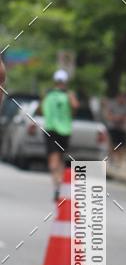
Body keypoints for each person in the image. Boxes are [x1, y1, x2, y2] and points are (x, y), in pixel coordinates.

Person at [41, 69, 79, 200]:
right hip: (65, 130)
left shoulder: (48, 95)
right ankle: (60, 182)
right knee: (61, 157)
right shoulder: (68, 95)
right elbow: (75, 106)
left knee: (53, 158)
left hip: (50, 129)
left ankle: (57, 183)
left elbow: (41, 110)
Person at [104, 91, 126, 164]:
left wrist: (123, 119)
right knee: (112, 144)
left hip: (123, 129)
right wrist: (115, 118)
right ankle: (111, 159)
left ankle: (119, 161)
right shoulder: (112, 104)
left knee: (122, 146)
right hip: (113, 127)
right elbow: (107, 115)